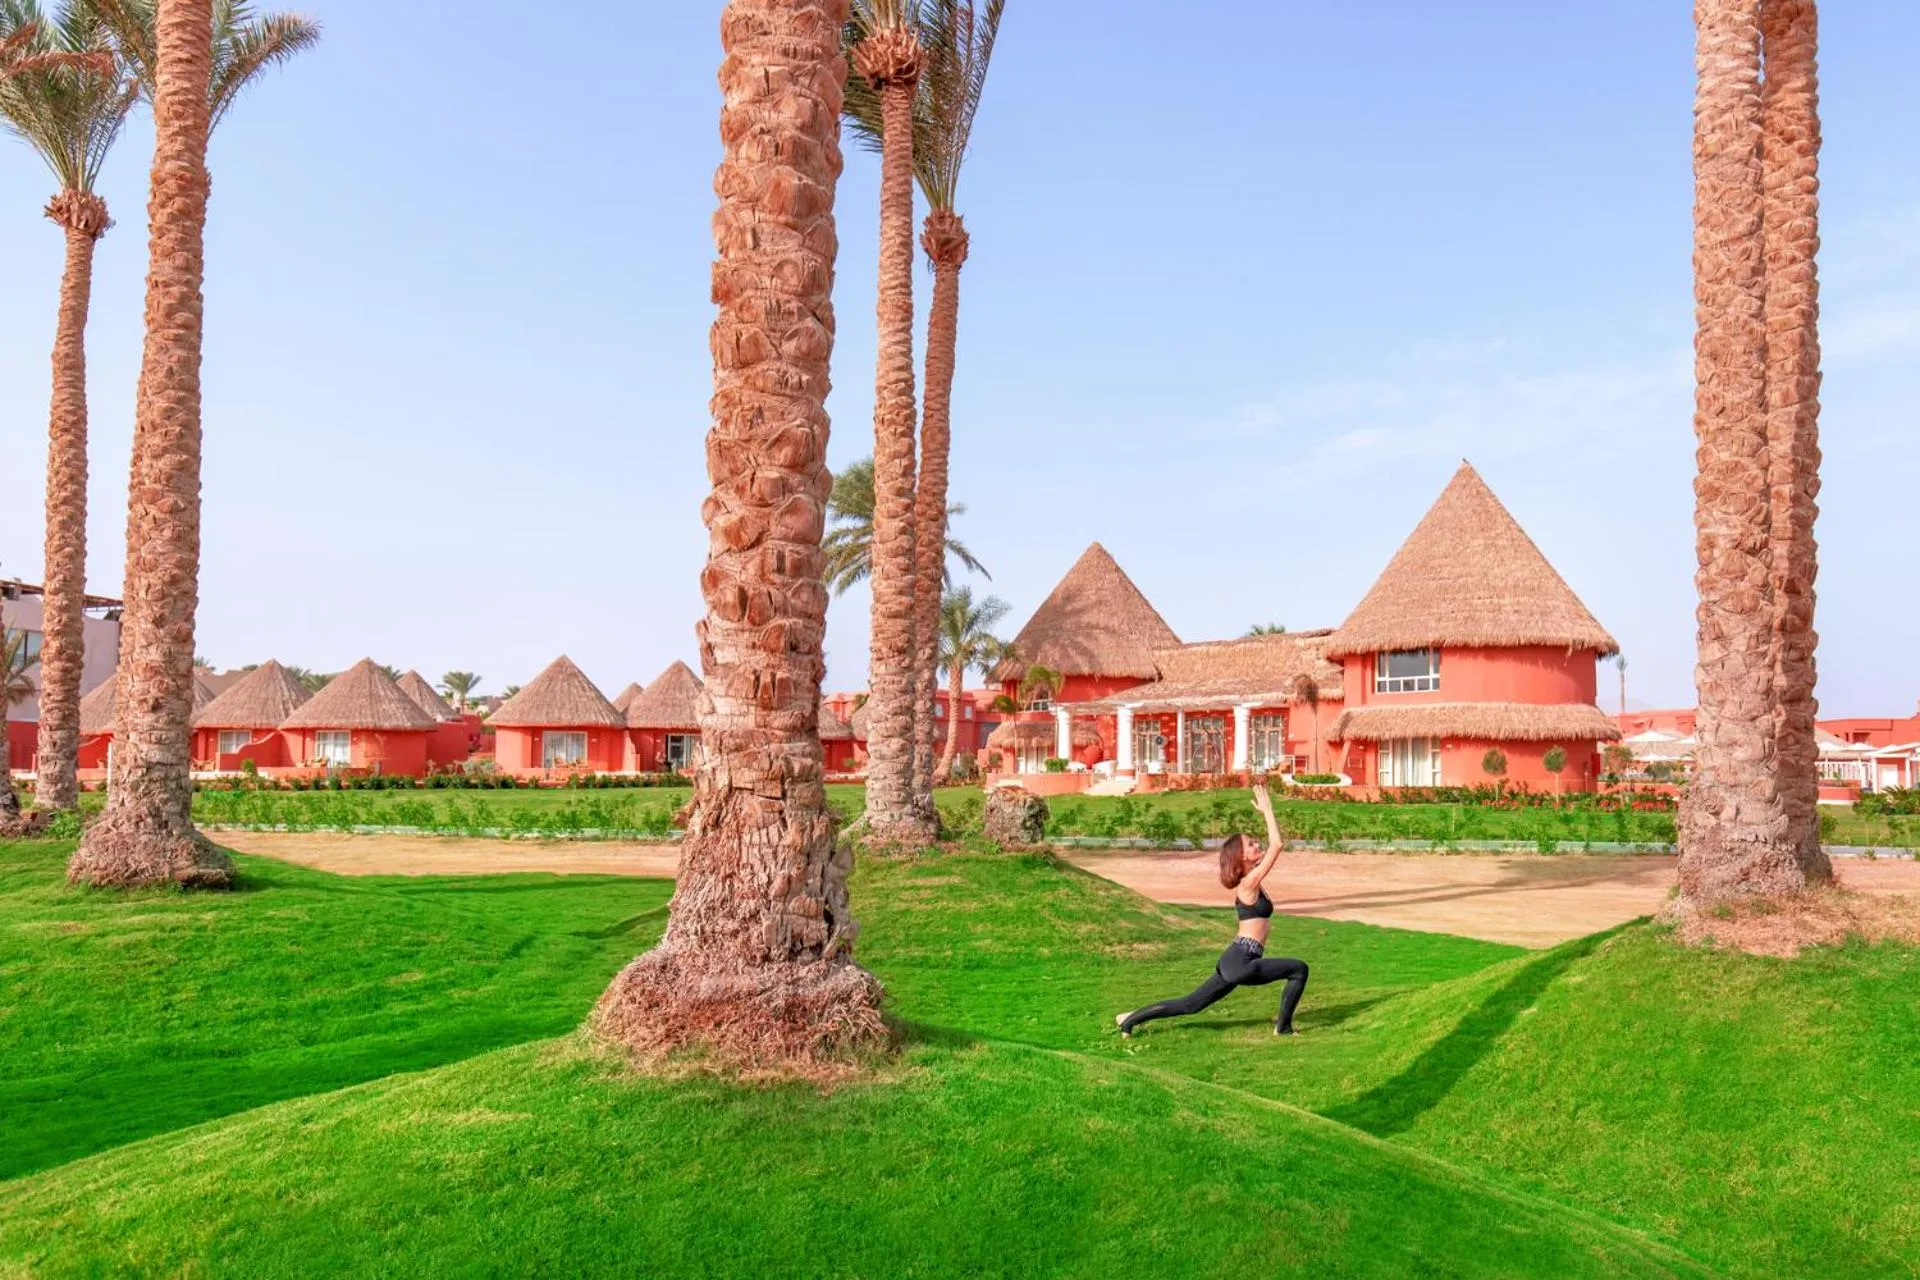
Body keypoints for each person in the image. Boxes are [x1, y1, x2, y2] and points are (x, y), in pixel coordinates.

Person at [1115, 783, 1309, 1037]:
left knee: (1190, 1004)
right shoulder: (1248, 884)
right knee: (1299, 970)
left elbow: (1270, 849)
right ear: (1240, 857)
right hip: (1242, 961)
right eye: (1250, 844)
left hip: (1235, 957)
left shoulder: (1252, 880)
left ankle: (1130, 1019)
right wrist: (1268, 810)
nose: (1256, 845)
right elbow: (1277, 845)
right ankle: (1283, 1028)